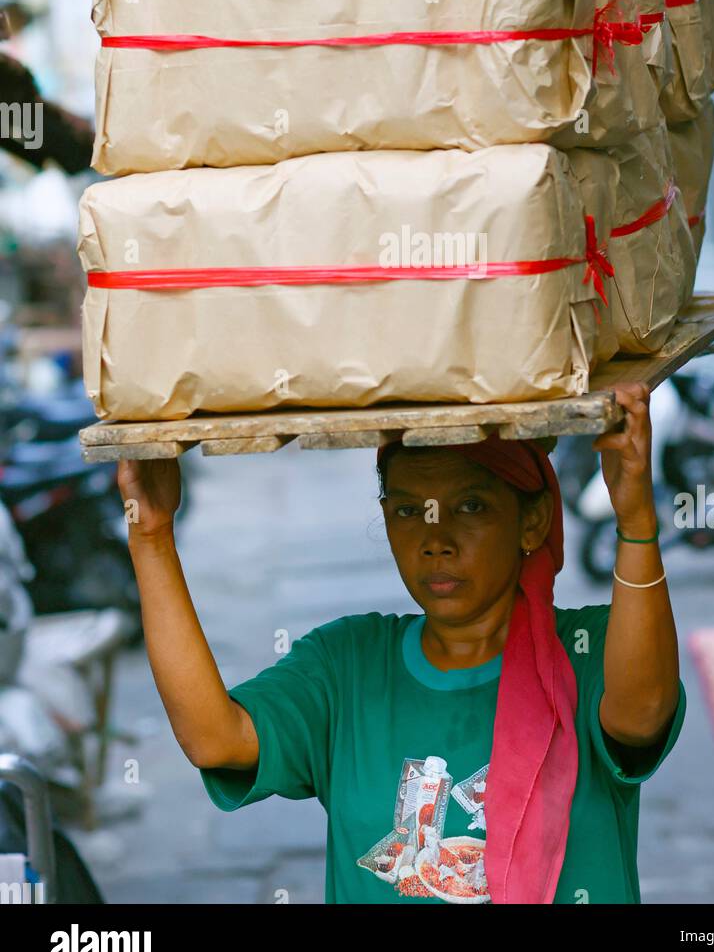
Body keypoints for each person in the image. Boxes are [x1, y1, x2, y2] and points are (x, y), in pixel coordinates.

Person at [118, 381, 685, 905]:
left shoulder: (589, 649)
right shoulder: (347, 666)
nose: (436, 540)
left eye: (470, 507)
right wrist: (151, 535)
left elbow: (640, 715)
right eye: (409, 511)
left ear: (532, 521)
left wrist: (635, 518)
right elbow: (216, 741)